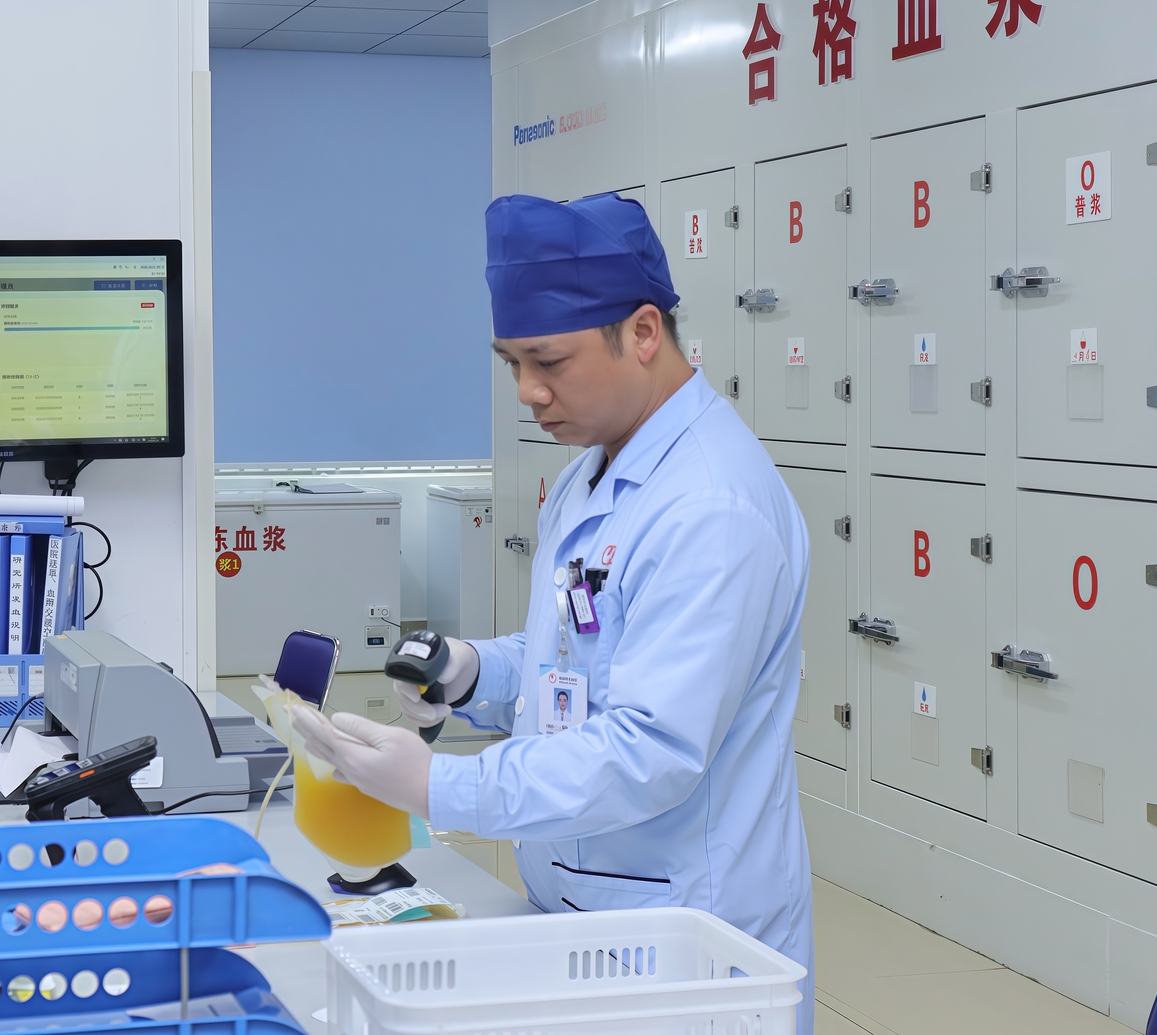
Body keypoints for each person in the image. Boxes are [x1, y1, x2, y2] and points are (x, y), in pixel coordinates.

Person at [292, 191, 814, 1028]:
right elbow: (577, 655)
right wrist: (476, 674)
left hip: (685, 941)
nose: (528, 392)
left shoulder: (711, 508)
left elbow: (650, 750)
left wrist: (438, 784)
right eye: (511, 364)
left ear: (643, 332)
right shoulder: (590, 472)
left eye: (550, 362)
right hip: (582, 908)